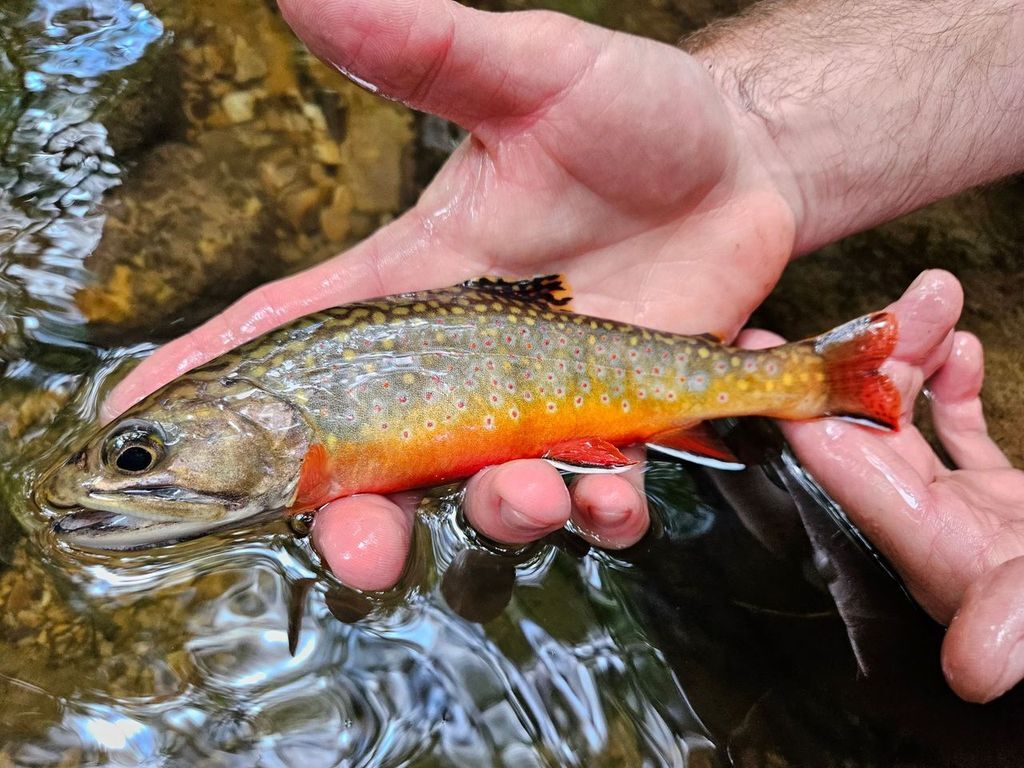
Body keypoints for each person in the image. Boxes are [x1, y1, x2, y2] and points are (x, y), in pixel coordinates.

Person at [102, 0, 1024, 703]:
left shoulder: (294, 428)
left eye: (137, 457)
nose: (134, 473)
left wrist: (754, 143)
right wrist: (755, 140)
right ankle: (807, 383)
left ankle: (812, 382)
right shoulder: (290, 424)